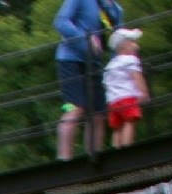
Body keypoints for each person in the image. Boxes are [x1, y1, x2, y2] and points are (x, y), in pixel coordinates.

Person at [54, 0, 123, 160]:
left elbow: (119, 38)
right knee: (74, 109)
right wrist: (85, 40)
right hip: (70, 59)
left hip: (94, 63)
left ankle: (94, 158)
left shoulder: (114, 9)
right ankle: (64, 161)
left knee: (98, 113)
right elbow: (60, 22)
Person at [104, 28, 148, 149]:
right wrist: (143, 92)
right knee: (129, 122)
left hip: (112, 101)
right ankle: (127, 149)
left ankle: (116, 150)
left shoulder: (110, 65)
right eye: (133, 42)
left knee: (117, 127)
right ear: (123, 46)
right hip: (127, 97)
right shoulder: (131, 60)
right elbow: (136, 76)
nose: (136, 45)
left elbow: (107, 83)